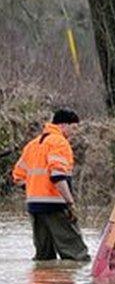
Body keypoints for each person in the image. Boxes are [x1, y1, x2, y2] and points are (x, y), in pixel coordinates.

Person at [10, 109, 90, 261]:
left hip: (34, 206)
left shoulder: (32, 145)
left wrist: (35, 189)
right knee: (77, 256)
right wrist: (70, 202)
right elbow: (58, 175)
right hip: (55, 205)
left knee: (43, 258)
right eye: (73, 128)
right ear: (63, 125)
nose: (74, 133)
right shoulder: (60, 143)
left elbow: (17, 176)